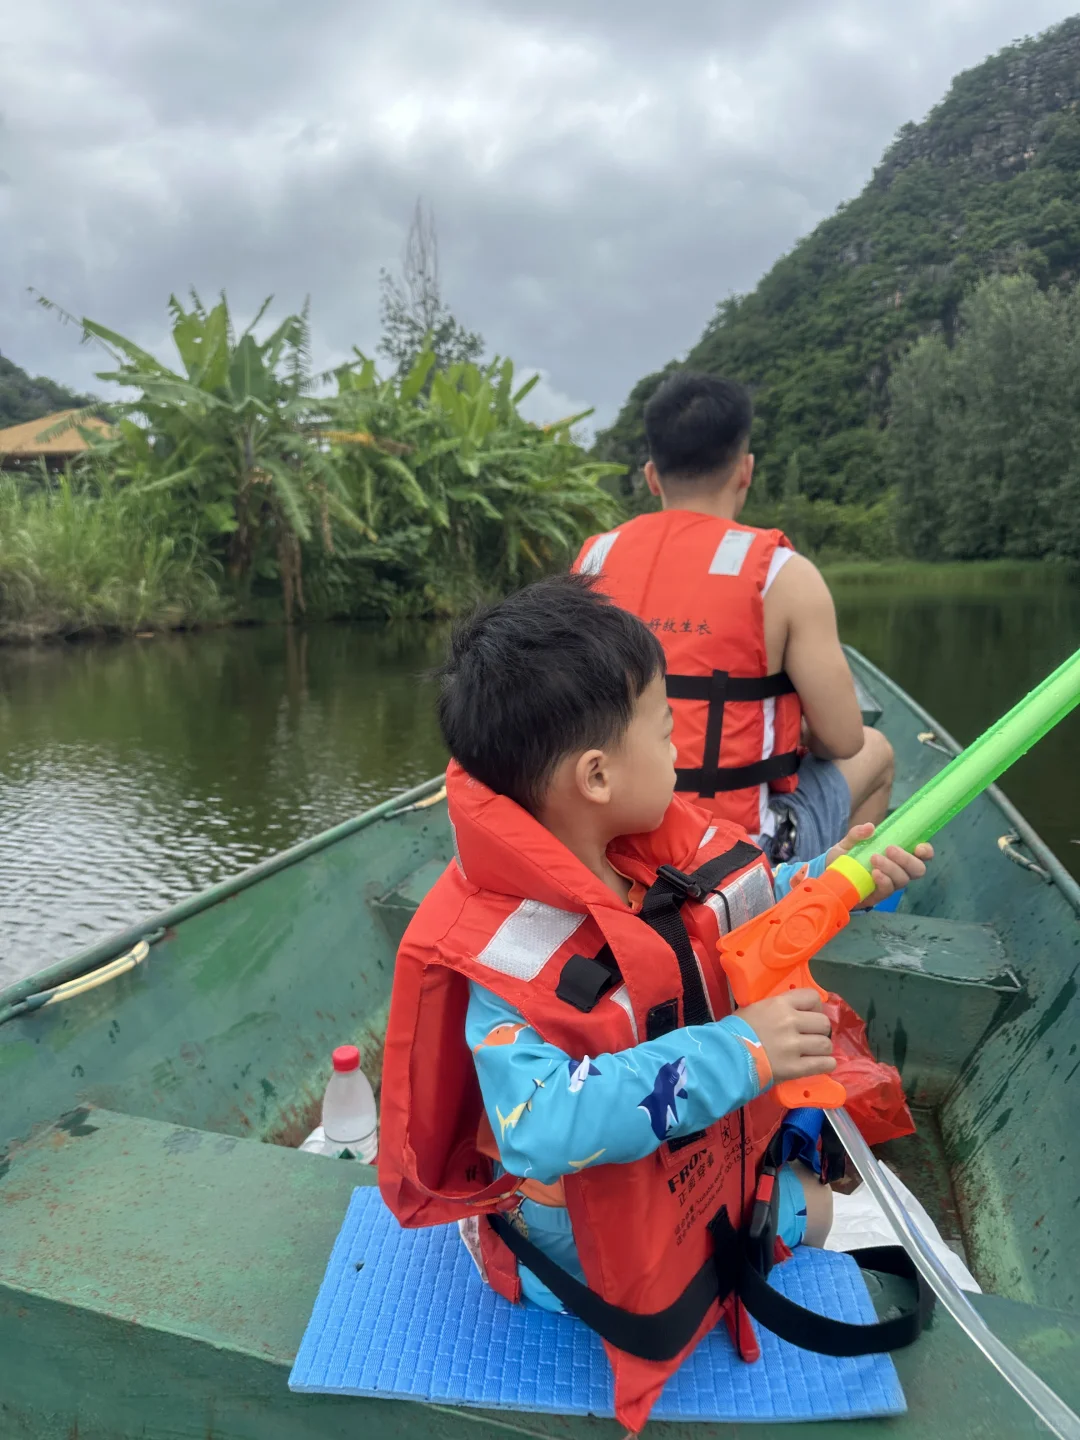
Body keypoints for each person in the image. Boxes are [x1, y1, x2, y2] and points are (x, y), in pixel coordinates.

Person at [379, 575, 932, 1433]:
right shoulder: (505, 958)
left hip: (694, 1182)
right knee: (836, 1212)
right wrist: (743, 1051)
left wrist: (832, 880)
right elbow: (540, 1124)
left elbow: (730, 909)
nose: (680, 753)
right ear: (596, 776)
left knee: (842, 1208)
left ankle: (784, 1214)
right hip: (586, 1256)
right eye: (667, 729)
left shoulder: (633, 856)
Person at [573, 371, 894, 863]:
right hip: (731, 853)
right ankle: (828, 897)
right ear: (745, 470)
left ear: (652, 476)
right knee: (877, 751)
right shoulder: (783, 575)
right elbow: (844, 739)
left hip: (609, 842)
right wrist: (787, 733)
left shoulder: (593, 560)